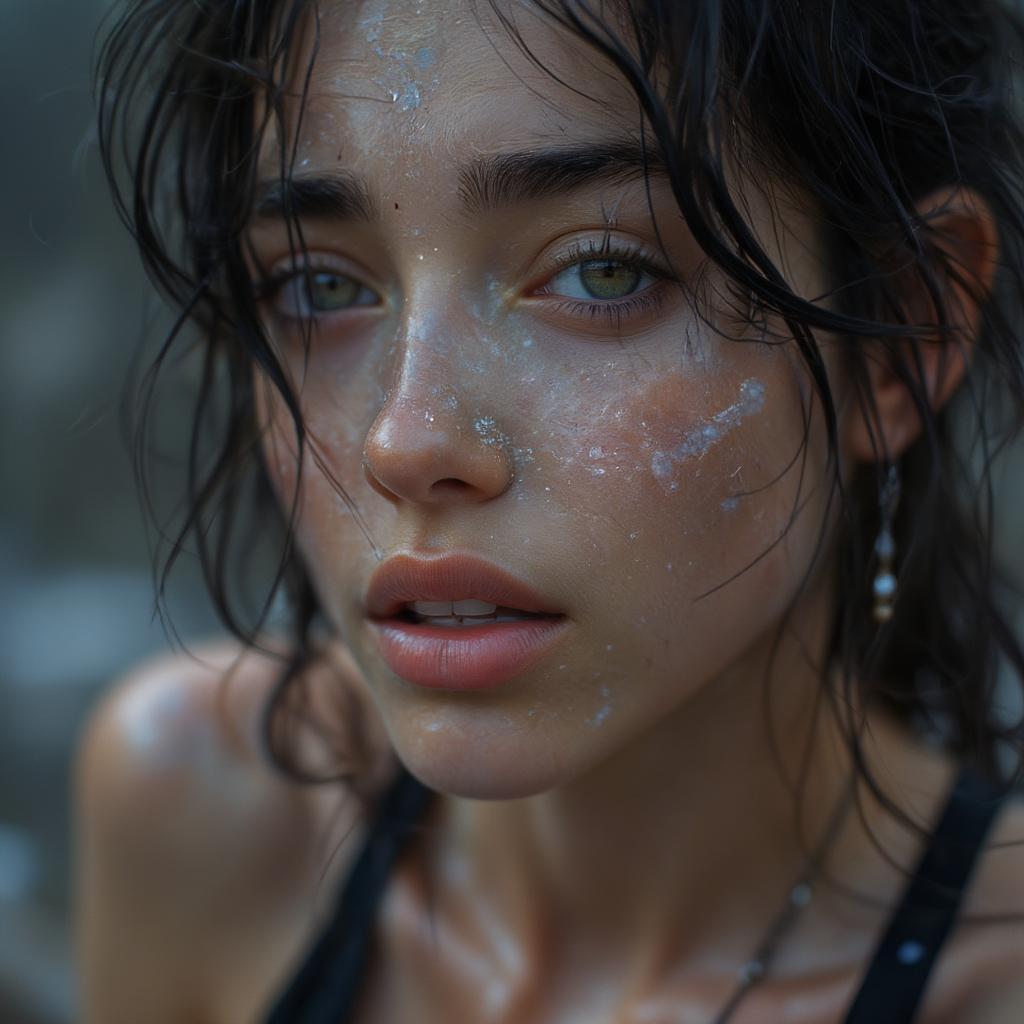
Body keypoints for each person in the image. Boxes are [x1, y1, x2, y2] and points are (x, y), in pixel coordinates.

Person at [76, 0, 1024, 1020]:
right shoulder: (207, 817)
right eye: (316, 284)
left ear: (899, 334)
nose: (405, 440)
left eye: (600, 269)